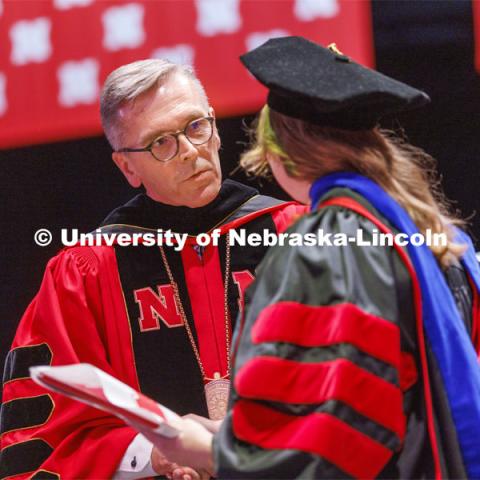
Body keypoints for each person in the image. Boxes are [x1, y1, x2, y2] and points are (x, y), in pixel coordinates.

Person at [145, 37, 480, 479]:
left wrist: (210, 449)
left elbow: (335, 427)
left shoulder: (328, 244)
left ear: (277, 153)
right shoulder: (440, 237)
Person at [0, 59, 305, 479]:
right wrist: (151, 454)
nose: (190, 151)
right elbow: (47, 431)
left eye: (196, 127)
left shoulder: (298, 235)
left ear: (215, 127)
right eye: (161, 142)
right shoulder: (86, 271)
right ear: (127, 167)